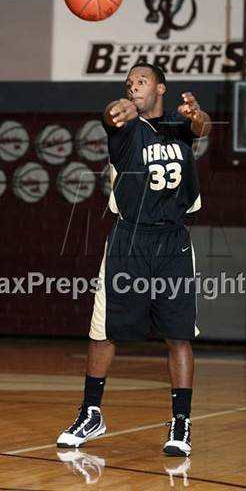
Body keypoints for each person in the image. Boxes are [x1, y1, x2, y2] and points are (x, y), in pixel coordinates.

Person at [57, 64, 211, 456]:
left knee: (178, 333)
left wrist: (198, 115)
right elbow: (111, 115)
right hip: (130, 238)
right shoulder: (126, 131)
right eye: (128, 84)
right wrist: (116, 109)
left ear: (160, 87)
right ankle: (91, 412)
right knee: (104, 330)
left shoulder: (179, 126)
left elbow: (202, 128)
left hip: (173, 240)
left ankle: (181, 422)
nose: (133, 87)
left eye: (140, 81)